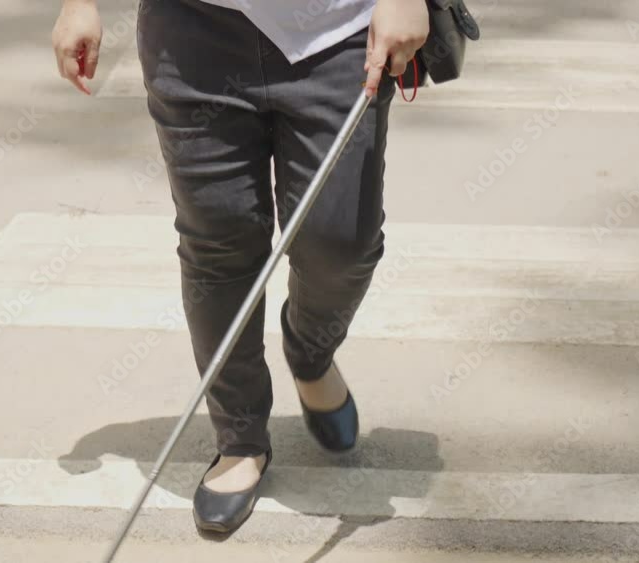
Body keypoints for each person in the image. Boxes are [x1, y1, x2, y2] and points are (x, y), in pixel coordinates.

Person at [52, 0, 428, 533]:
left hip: (336, 33)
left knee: (341, 240)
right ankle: (241, 437)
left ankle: (310, 350)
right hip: (191, 36)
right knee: (218, 241)